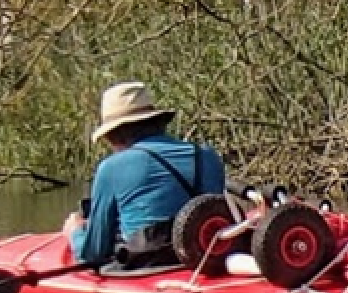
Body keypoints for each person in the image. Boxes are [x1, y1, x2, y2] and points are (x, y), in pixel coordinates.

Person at [63, 81, 226, 268]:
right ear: (158, 123)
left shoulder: (110, 168)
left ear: (112, 135)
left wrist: (74, 233)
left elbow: (93, 254)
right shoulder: (206, 156)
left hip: (145, 266)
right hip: (202, 260)